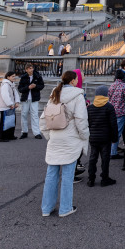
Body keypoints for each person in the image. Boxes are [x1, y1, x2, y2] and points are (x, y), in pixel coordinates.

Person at [40, 70, 89, 217]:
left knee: (51, 173)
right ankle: (65, 208)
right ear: (74, 81)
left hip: (55, 136)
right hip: (71, 137)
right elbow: (81, 119)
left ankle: (46, 208)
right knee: (68, 175)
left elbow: (44, 118)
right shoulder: (78, 95)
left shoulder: (54, 94)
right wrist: (84, 136)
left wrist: (49, 135)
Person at [86, 85, 118, 187]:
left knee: (93, 158)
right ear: (106, 95)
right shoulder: (109, 107)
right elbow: (113, 124)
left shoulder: (90, 108)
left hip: (94, 137)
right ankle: (105, 178)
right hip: (105, 137)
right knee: (105, 159)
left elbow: (88, 123)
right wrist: (114, 138)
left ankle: (91, 179)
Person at [108, 60, 125, 159]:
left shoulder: (112, 85)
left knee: (113, 131)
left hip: (112, 111)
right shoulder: (124, 86)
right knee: (117, 132)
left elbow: (109, 96)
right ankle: (113, 152)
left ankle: (111, 150)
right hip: (122, 111)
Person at [18, 64, 45, 139]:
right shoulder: (23, 77)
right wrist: (28, 87)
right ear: (26, 69)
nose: (31, 69)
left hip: (34, 99)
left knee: (35, 115)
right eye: (29, 68)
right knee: (24, 115)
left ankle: (37, 132)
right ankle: (24, 131)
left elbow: (42, 86)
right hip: (25, 99)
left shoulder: (37, 76)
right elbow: (20, 89)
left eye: (32, 68)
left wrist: (35, 86)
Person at [0, 71, 21, 142]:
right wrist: (10, 104)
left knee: (11, 121)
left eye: (14, 76)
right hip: (5, 107)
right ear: (8, 77)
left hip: (11, 106)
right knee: (5, 122)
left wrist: (17, 102)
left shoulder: (11, 84)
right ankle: (2, 137)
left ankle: (10, 135)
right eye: (12, 76)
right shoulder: (5, 85)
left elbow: (15, 94)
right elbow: (5, 96)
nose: (14, 77)